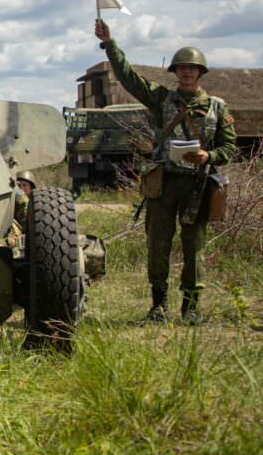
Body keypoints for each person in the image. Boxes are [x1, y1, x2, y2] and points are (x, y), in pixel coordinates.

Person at [95, 19, 236, 324]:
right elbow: (130, 79)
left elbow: (230, 149)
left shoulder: (217, 108)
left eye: (192, 68)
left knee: (193, 249)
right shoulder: (162, 99)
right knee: (157, 246)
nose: (186, 72)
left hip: (197, 186)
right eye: (181, 68)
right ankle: (158, 306)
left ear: (200, 73)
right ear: (175, 73)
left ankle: (191, 308)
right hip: (163, 185)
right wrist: (110, 44)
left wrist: (208, 155)